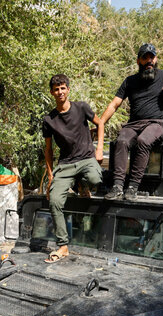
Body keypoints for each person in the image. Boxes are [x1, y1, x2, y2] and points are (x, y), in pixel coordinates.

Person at [100, 43, 163, 200]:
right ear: (139, 61)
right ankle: (117, 186)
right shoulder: (130, 81)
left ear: (156, 59)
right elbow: (114, 104)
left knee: (143, 140)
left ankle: (133, 187)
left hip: (156, 123)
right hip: (133, 124)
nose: (149, 60)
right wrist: (101, 122)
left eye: (152, 57)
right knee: (121, 141)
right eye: (145, 58)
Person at [42, 74, 104, 263]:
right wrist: (51, 175)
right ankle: (63, 246)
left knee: (96, 179)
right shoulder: (49, 119)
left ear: (68, 89)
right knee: (54, 200)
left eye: (63, 88)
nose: (60, 92)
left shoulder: (81, 107)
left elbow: (100, 123)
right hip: (66, 164)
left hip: (86, 158)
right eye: (56, 89)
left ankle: (82, 185)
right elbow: (48, 149)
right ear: (52, 92)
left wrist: (99, 149)